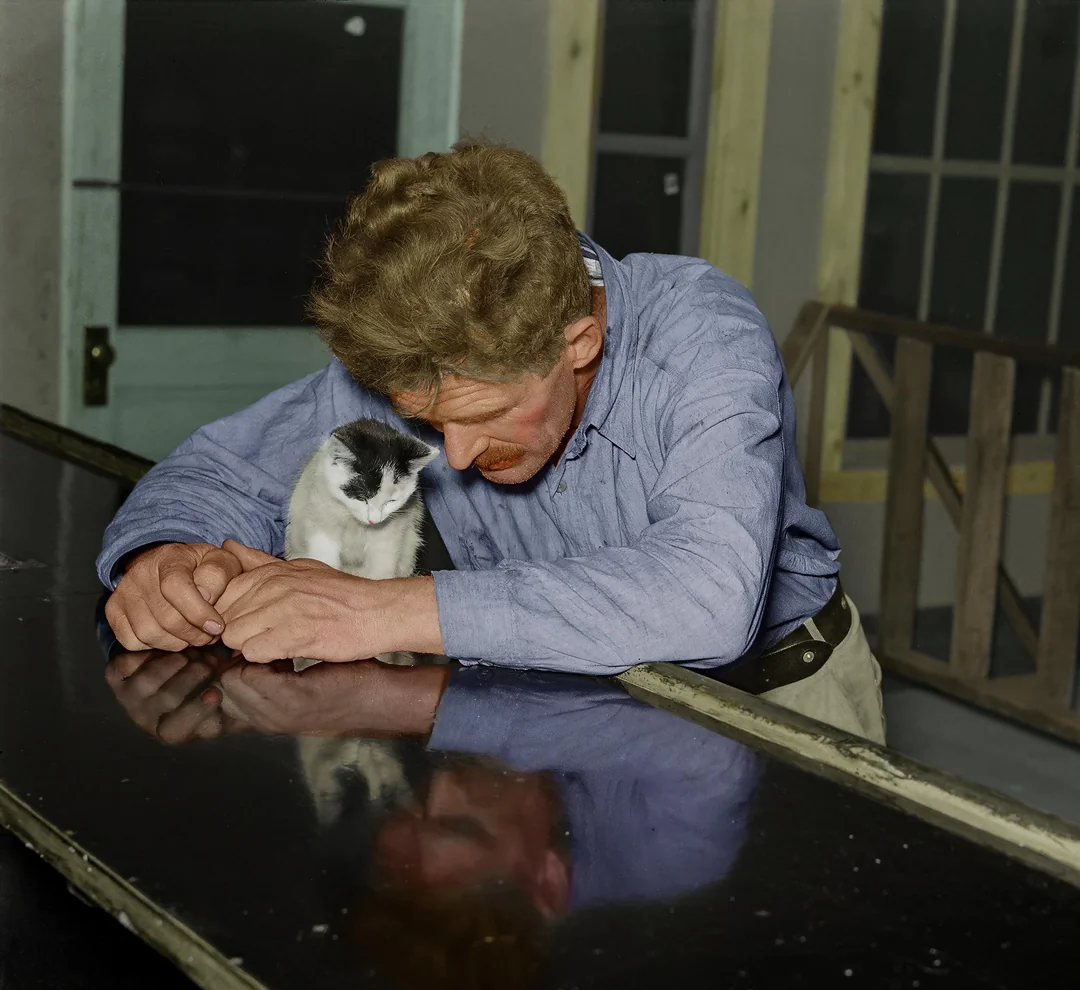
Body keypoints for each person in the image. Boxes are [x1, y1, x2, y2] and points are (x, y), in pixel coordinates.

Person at [98, 141, 884, 743]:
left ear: (579, 342)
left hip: (775, 701)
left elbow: (708, 600)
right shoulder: (413, 363)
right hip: (561, 701)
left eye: (484, 416)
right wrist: (163, 558)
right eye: (430, 424)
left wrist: (376, 613)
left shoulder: (702, 337)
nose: (459, 459)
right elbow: (221, 471)